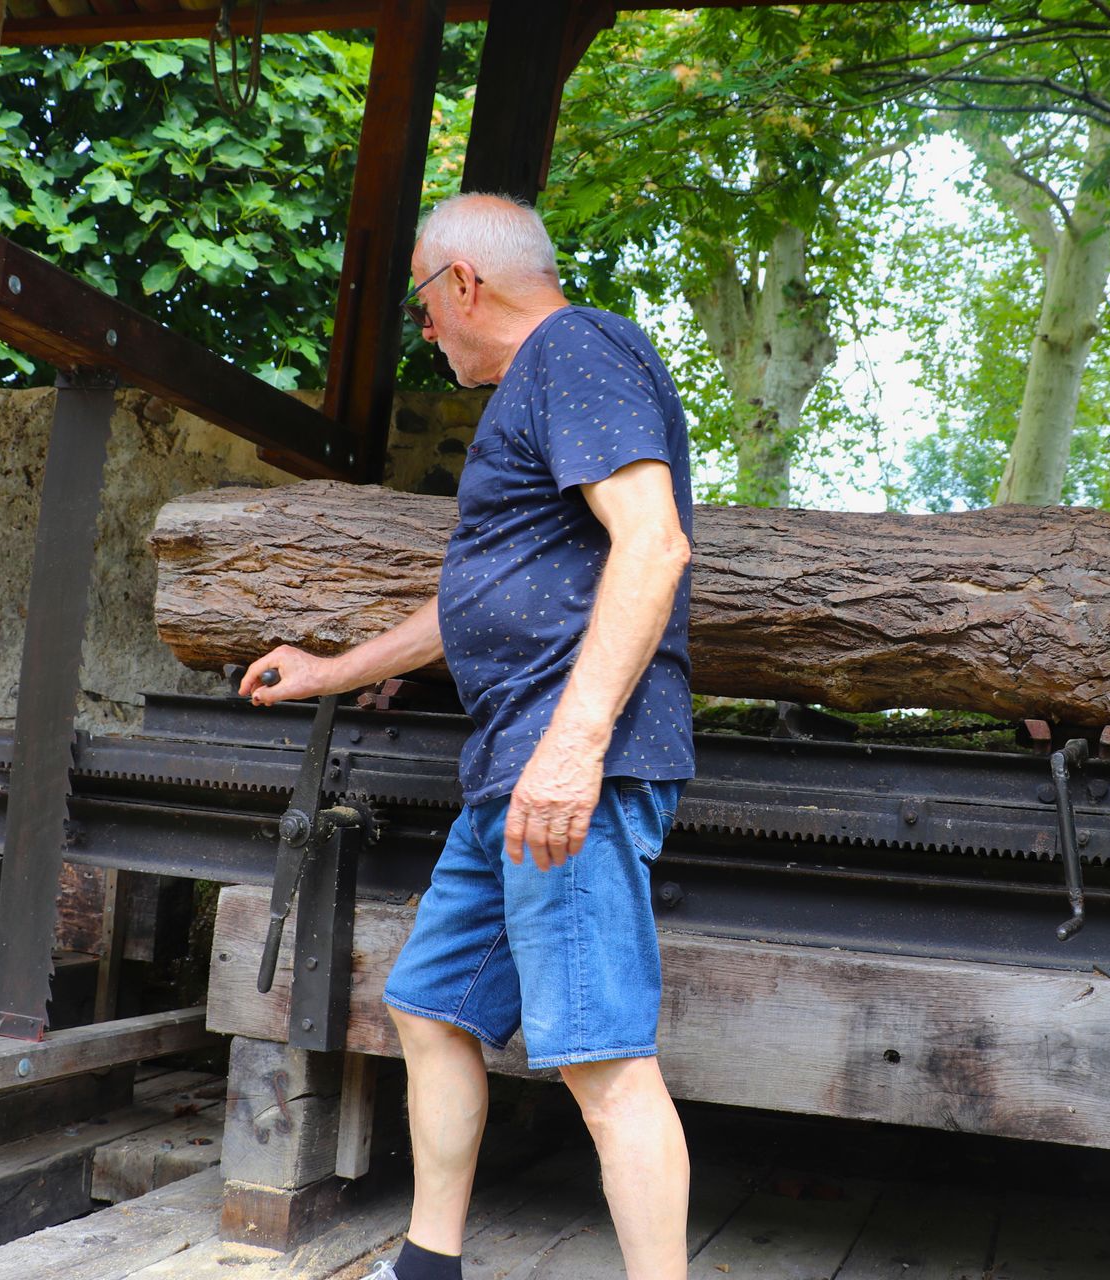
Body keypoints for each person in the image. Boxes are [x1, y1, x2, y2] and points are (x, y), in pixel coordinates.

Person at [239, 193, 696, 1280]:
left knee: (601, 1061)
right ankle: (426, 1268)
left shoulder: (576, 350)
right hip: (513, 766)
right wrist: (332, 671)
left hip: (566, 765)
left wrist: (574, 747)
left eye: (422, 307)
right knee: (431, 1005)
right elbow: (478, 600)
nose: (426, 331)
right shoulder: (539, 388)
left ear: (463, 282)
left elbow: (654, 544)